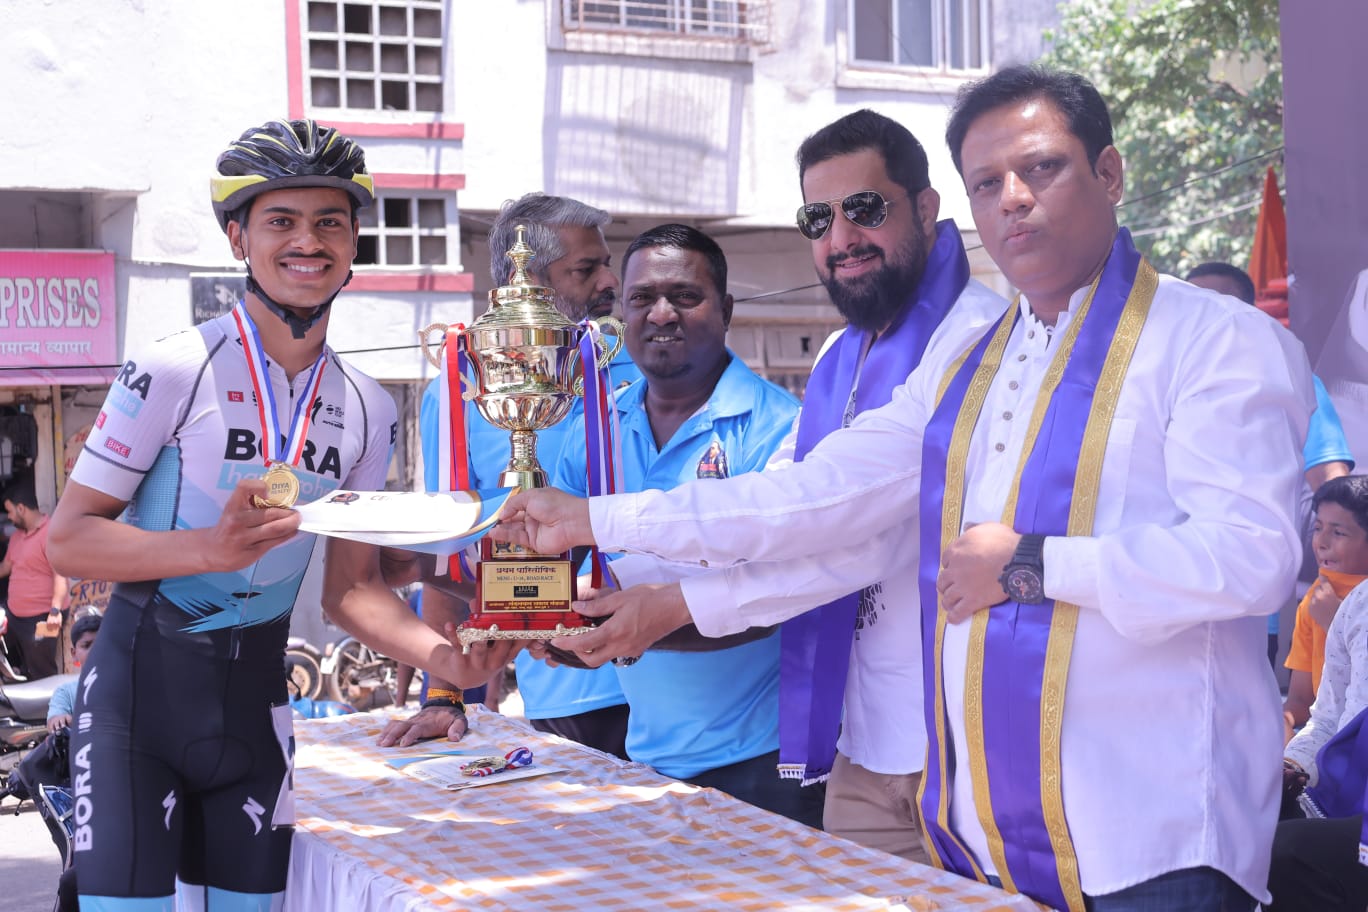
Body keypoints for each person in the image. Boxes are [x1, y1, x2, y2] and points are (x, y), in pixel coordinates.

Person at [492, 66, 1314, 911]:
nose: (1013, 199)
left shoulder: (1213, 340)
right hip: (989, 820)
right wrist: (596, 522)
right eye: (988, 182)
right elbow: (818, 498)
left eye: (1041, 168)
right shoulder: (973, 364)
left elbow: (1252, 560)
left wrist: (1034, 564)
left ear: (1108, 173)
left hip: (1156, 826)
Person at [47, 118, 511, 911]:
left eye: (330, 222)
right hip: (134, 712)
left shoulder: (367, 407)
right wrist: (207, 548)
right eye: (281, 221)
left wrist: (450, 662)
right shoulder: (172, 368)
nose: (308, 241)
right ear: (239, 238)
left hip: (256, 716)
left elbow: (351, 591)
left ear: (355, 242)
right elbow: (68, 540)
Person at [561, 109, 1006, 860]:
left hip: (964, 747)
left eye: (865, 208)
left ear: (927, 208)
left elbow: (825, 517)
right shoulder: (839, 356)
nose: (841, 238)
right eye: (818, 219)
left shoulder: (975, 340)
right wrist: (588, 599)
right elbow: (776, 530)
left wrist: (600, 528)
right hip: (863, 742)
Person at [550, 223, 818, 826]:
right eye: (642, 298)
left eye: (685, 296)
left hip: (768, 762)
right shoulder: (596, 428)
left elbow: (777, 598)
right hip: (645, 757)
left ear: (726, 310)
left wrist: (632, 631)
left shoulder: (778, 428)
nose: (662, 313)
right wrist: (541, 622)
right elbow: (561, 569)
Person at [377, 192, 638, 753]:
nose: (610, 281)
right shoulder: (463, 388)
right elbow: (451, 547)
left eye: (607, 263)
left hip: (670, 677)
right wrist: (444, 695)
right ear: (533, 282)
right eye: (586, 269)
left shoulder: (642, 372)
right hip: (564, 691)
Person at [1187, 261, 1355, 672]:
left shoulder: (1285, 379)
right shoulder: (1159, 384)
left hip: (1254, 611)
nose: (1200, 317)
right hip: (1172, 604)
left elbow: (1334, 492)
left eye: (1214, 304)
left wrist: (1337, 594)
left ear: (1246, 314)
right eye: (1191, 305)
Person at [1271, 477, 1368, 910]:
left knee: (1285, 851)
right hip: (1338, 777)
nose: (1322, 542)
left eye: (1339, 531)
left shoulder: (1338, 607)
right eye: (1318, 528)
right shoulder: (1343, 602)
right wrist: (1292, 764)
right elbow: (1322, 712)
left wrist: (1331, 619)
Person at [0, 480, 67, 679]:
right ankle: (14, 674)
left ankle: (47, 699)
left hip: (42, 617)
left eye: (10, 512)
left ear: (21, 508)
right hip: (13, 614)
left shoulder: (51, 533)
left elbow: (60, 575)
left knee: (42, 671)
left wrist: (55, 611)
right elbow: (6, 567)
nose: (9, 517)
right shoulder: (17, 537)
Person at [46, 611, 100, 733]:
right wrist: (59, 720)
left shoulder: (125, 685)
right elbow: (53, 721)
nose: (94, 650)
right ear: (74, 654)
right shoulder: (65, 692)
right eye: (86, 645)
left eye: (100, 644)